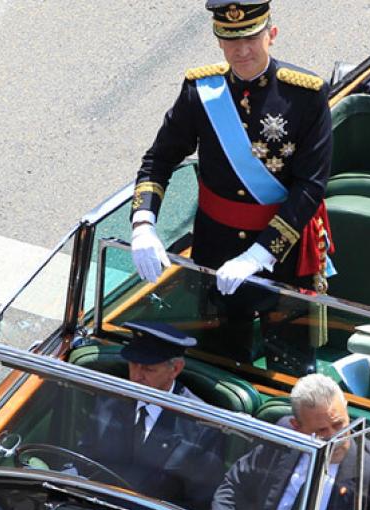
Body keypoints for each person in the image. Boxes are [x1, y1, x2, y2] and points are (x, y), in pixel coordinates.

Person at [128, 1, 334, 367]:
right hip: (215, 251)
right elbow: (158, 160)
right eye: (230, 40)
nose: (242, 51)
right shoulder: (200, 91)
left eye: (251, 38)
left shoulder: (306, 95)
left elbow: (310, 186)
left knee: (291, 364)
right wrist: (144, 224)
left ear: (271, 34)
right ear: (219, 43)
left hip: (282, 255)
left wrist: (259, 254)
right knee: (219, 361)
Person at [209, 374, 370, 510]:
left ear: (346, 410)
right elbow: (235, 483)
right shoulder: (285, 435)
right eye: (321, 431)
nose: (335, 439)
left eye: (339, 425)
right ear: (297, 426)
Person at [78, 321, 225, 510]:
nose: (137, 377)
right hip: (95, 509)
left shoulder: (202, 427)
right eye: (133, 365)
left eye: (148, 369)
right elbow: (84, 460)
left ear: (176, 369)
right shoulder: (110, 399)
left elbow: (198, 504)